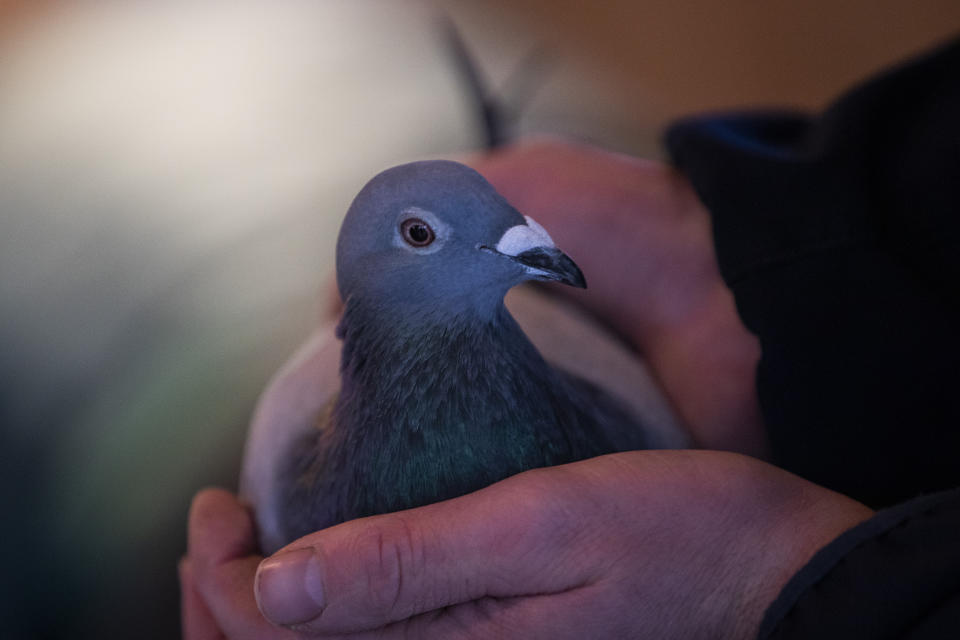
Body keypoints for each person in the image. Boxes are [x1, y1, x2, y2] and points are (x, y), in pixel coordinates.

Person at [181, 37, 960, 639]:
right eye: (419, 235)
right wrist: (724, 241)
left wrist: (785, 588)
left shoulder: (658, 455)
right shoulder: (282, 458)